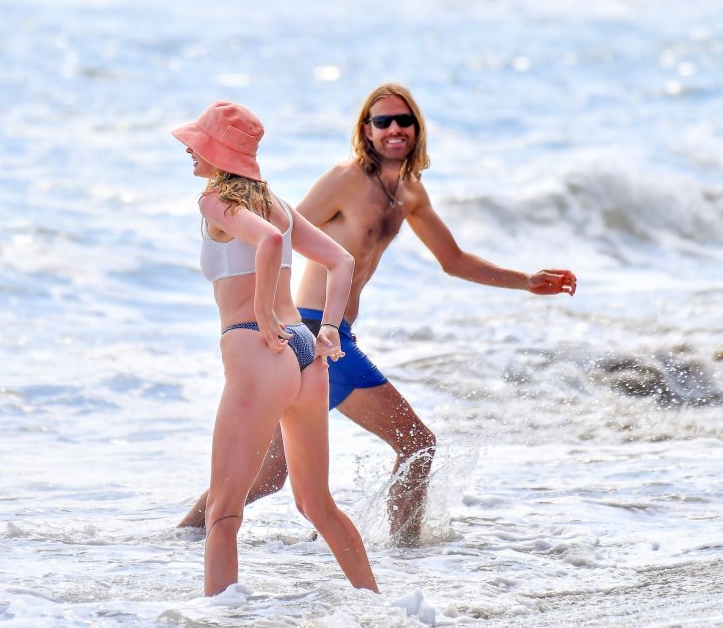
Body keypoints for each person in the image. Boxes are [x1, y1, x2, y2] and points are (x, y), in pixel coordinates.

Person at [178, 84, 577, 547]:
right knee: (417, 444)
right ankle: (406, 559)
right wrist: (261, 315)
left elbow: (453, 259)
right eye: (382, 121)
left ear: (417, 129)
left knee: (269, 476)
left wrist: (525, 281)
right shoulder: (344, 180)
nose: (394, 130)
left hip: (328, 332)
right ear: (365, 131)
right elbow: (277, 233)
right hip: (314, 330)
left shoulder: (409, 194)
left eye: (403, 121)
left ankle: (180, 541)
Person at [172, 100, 378, 595]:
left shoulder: (215, 201)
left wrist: (262, 312)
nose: (188, 152)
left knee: (223, 513)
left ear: (217, 152)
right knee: (317, 505)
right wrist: (328, 328)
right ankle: (380, 609)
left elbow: (264, 243)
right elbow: (340, 260)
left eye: (195, 144)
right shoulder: (278, 203)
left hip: (258, 348)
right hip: (305, 351)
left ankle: (223, 621)